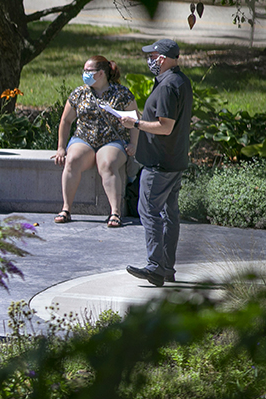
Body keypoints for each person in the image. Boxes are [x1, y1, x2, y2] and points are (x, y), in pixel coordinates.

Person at [120, 39, 193, 287]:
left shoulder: (167, 86)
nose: (149, 60)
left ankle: (155, 266)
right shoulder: (180, 80)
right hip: (175, 160)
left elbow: (165, 126)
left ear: (161, 58)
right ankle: (167, 268)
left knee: (149, 211)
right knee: (169, 214)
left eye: (151, 56)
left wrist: (136, 124)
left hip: (160, 163)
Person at [53, 55, 139, 228]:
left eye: (88, 71)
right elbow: (66, 121)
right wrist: (61, 147)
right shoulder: (79, 93)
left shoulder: (121, 94)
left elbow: (135, 120)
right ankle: (66, 208)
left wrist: (133, 144)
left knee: (107, 164)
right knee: (72, 160)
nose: (84, 74)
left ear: (101, 73)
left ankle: (115, 212)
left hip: (112, 140)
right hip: (84, 138)